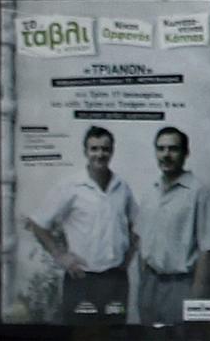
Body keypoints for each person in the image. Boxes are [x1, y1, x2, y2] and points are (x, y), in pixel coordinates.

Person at [25, 126, 138, 322]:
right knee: (80, 333)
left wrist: (128, 257)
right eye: (94, 149)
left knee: (116, 333)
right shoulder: (71, 187)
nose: (100, 154)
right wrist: (60, 255)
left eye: (105, 149)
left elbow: (137, 224)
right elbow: (38, 222)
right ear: (85, 151)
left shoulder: (122, 186)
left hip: (116, 280)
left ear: (112, 151)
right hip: (82, 279)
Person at [136, 126, 210, 326]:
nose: (166, 155)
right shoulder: (150, 192)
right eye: (161, 148)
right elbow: (141, 238)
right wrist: (143, 283)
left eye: (173, 149)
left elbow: (208, 249)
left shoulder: (200, 193)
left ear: (186, 153)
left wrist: (195, 297)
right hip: (150, 284)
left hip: (181, 285)